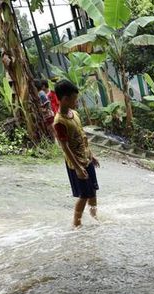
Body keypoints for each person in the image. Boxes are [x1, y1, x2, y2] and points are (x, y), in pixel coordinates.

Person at [53, 79, 99, 228]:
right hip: (76, 164)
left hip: (86, 158)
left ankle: (94, 218)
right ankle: (76, 224)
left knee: (92, 191)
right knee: (84, 195)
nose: (76, 102)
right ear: (65, 99)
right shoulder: (59, 122)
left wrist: (91, 155)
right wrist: (78, 167)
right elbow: (65, 147)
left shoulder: (74, 114)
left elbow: (82, 136)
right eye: (74, 99)